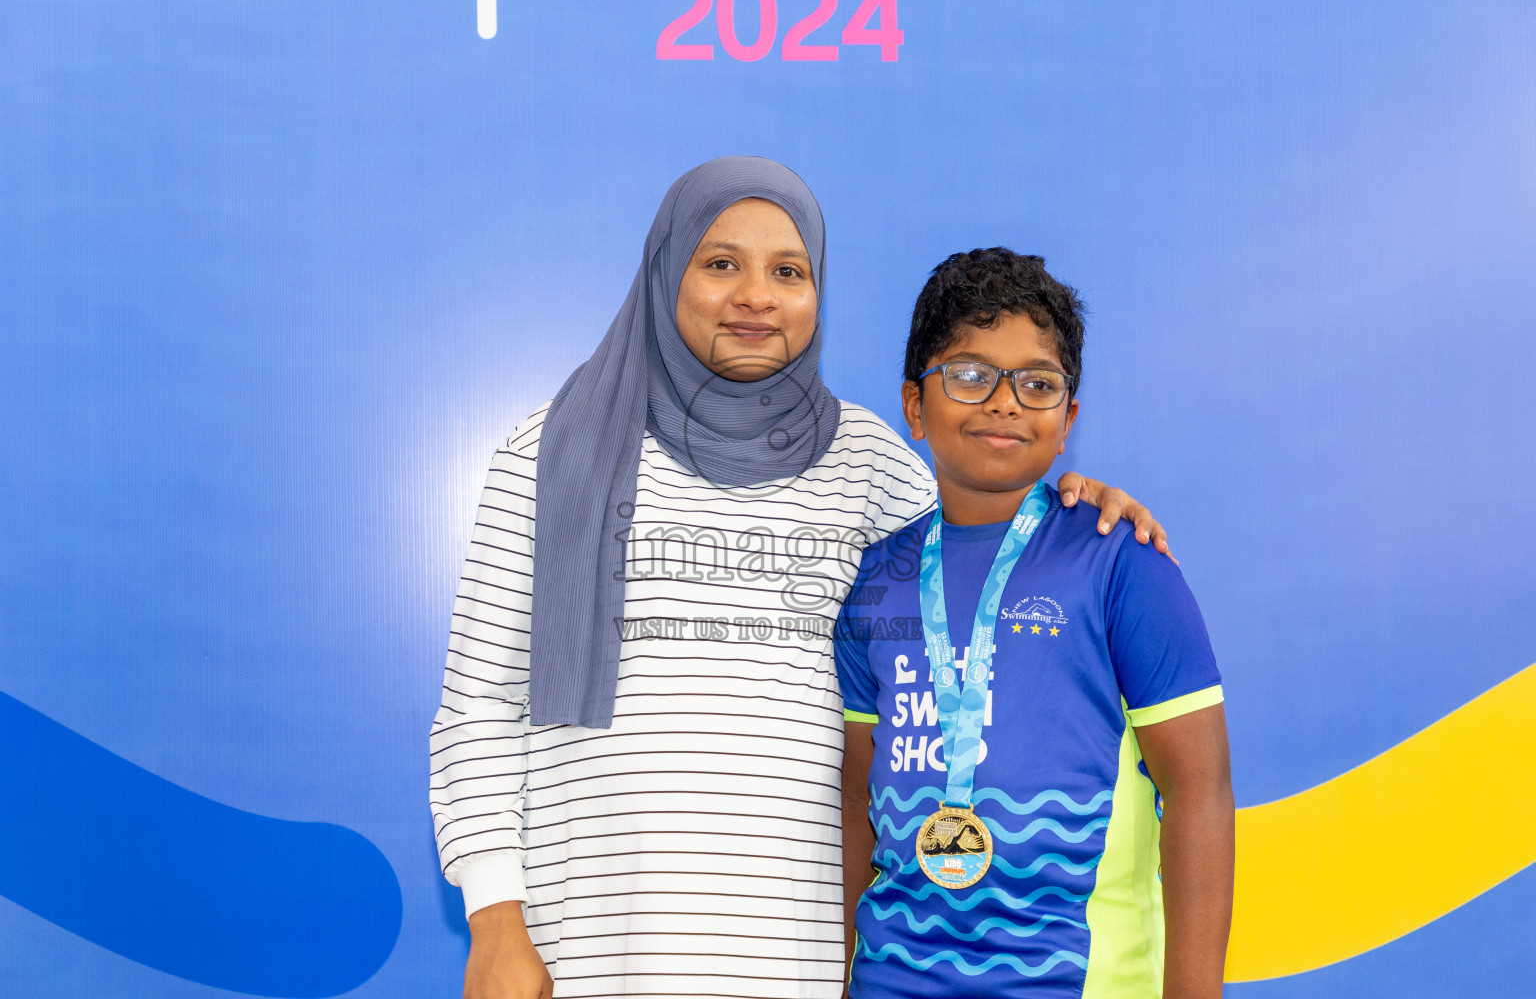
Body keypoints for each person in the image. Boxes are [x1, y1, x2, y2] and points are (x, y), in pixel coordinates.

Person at [429, 158, 1172, 999]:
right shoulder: (551, 453)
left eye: (789, 271)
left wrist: (1075, 501)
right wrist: (494, 920)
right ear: (665, 275)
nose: (757, 295)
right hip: (591, 942)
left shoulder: (869, 464)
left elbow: (982, 536)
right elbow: (479, 706)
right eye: (721, 264)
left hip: (798, 956)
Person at [836, 248, 1234, 998]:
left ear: (1067, 420)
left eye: (1037, 383)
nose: (1004, 401)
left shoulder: (1122, 563)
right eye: (969, 374)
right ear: (915, 406)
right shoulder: (877, 581)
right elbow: (860, 797)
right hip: (892, 979)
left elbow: (1199, 790)